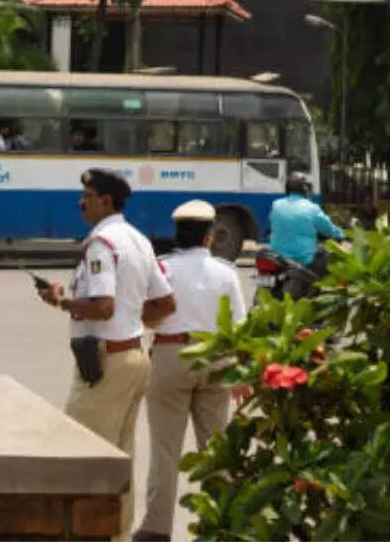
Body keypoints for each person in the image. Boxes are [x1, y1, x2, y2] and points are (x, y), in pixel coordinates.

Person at [36, 169, 175, 534]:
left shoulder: (101, 243)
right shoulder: (138, 239)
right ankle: (117, 534)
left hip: (106, 364)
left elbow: (102, 306)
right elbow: (165, 303)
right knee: (119, 460)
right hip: (132, 357)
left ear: (106, 201)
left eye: (88, 195)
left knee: (78, 458)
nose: (81, 202)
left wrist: (62, 301)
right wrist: (130, 326)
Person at [135, 200, 247, 542]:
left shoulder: (162, 267)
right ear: (209, 237)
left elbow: (146, 315)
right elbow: (240, 326)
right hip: (216, 357)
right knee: (215, 447)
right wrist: (241, 372)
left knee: (165, 449)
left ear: (177, 234)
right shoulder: (226, 272)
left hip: (170, 355)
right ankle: (220, 524)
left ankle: (156, 528)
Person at [268, 172, 344, 280]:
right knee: (326, 256)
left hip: (277, 256)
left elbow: (273, 221)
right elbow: (328, 228)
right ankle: (319, 290)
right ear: (305, 189)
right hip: (302, 258)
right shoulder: (312, 208)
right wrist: (340, 234)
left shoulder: (276, 204)